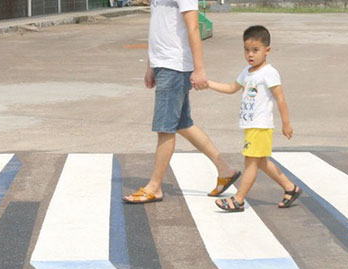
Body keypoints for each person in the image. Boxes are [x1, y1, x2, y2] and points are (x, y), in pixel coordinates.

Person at [122, 0, 240, 204]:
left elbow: (193, 27)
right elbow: (158, 27)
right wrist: (151, 66)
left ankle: (154, 187)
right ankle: (225, 169)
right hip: (163, 64)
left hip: (174, 67)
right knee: (183, 124)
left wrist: (200, 69)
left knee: (165, 128)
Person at [207, 25, 301, 212]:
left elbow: (280, 98)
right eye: (246, 49)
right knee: (262, 162)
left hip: (260, 126)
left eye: (255, 50)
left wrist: (286, 123)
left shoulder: (269, 72)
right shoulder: (247, 71)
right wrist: (208, 83)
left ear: (267, 50)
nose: (250, 54)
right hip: (251, 126)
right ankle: (291, 188)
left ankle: (238, 200)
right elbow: (231, 88)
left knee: (251, 162)